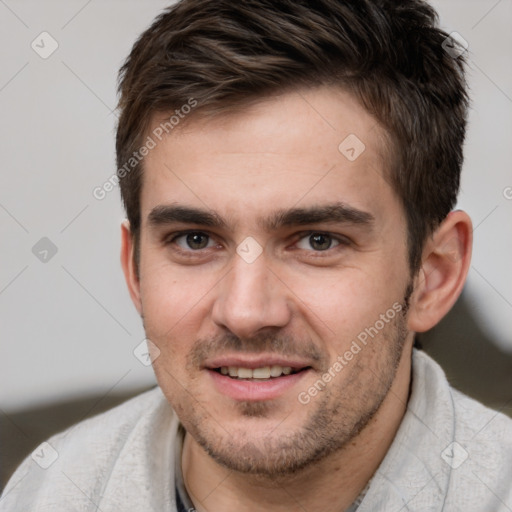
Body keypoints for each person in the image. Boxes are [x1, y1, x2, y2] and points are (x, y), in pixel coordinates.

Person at [2, 0, 511, 510]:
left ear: (434, 275)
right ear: (135, 271)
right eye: (194, 240)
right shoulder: (46, 493)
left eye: (318, 240)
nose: (245, 312)